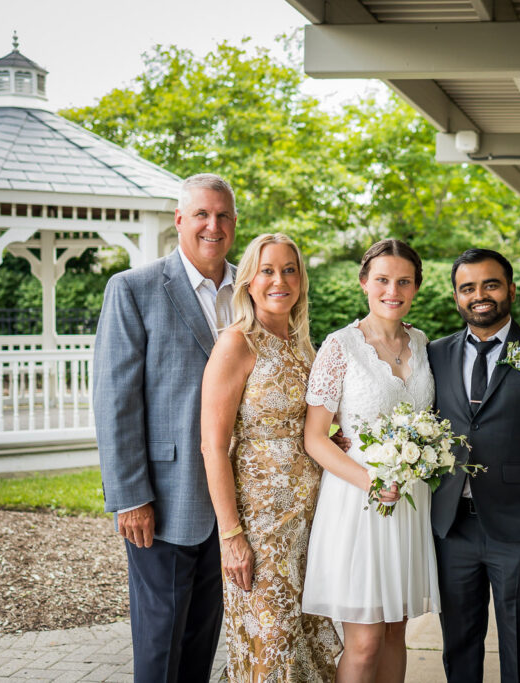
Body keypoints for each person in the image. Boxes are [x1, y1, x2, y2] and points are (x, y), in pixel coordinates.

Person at [94, 173, 237, 682]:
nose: (212, 225)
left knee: (203, 638)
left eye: (222, 215)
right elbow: (116, 400)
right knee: (159, 645)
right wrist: (129, 495)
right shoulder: (133, 289)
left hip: (235, 500)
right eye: (201, 214)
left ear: (234, 223)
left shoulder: (252, 290)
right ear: (179, 220)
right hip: (163, 498)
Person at [429, 248, 520, 683]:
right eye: (468, 288)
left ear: (509, 289)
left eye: (490, 284)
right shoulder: (436, 354)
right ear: (457, 297)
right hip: (451, 526)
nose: (480, 295)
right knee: (458, 643)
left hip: (519, 526)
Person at [200, 233, 341, 681]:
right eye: (267, 270)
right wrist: (231, 536)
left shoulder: (304, 346)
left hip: (310, 520)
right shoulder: (236, 343)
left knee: (305, 639)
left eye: (289, 269)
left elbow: (309, 432)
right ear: (248, 281)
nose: (279, 280)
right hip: (261, 527)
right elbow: (213, 445)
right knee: (271, 644)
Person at [302, 239, 439, 683]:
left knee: (397, 633)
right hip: (359, 507)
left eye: (403, 281)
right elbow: (316, 439)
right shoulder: (339, 347)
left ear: (416, 286)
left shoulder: (421, 343)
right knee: (364, 643)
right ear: (364, 283)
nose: (392, 290)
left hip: (409, 506)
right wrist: (369, 480)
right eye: (382, 280)